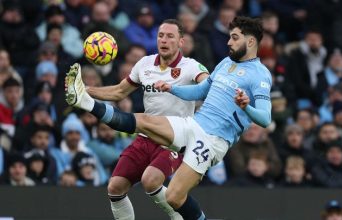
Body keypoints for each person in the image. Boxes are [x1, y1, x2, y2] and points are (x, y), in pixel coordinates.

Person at [66, 16, 271, 220]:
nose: (229, 42)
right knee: (143, 124)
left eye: (234, 38)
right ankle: (84, 101)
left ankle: (84, 100)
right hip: (192, 125)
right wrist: (173, 89)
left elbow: (265, 118)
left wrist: (247, 107)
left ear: (250, 41)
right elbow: (200, 91)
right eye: (160, 35)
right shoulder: (226, 63)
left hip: (213, 141)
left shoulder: (260, 75)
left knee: (173, 197)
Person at [67, 19, 209, 220]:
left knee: (150, 180)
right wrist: (86, 90)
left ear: (181, 42)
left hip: (175, 141)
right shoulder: (145, 64)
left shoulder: (191, 67)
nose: (164, 40)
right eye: (161, 35)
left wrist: (179, 89)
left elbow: (208, 85)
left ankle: (180, 218)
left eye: (170, 36)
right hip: (146, 136)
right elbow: (118, 92)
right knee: (115, 187)